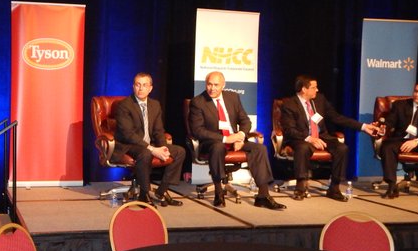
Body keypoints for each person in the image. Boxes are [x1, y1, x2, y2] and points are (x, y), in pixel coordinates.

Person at [189, 71, 285, 210]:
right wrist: (226, 138)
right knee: (217, 147)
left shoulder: (232, 97)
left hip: (235, 139)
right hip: (212, 141)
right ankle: (218, 191)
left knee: (260, 149)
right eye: (209, 84)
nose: (212, 88)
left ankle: (263, 195)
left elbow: (245, 121)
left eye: (216, 85)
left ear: (223, 85)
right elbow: (198, 130)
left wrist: (241, 135)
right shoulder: (198, 102)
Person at [280, 75, 378, 201]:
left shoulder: (319, 100)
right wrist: (309, 138)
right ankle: (300, 187)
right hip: (300, 138)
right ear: (304, 89)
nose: (317, 90)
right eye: (314, 87)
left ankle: (334, 188)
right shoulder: (289, 104)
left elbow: (336, 117)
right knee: (303, 148)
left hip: (321, 136)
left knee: (342, 148)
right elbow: (289, 130)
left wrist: (363, 127)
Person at [113, 72, 185, 206]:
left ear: (150, 88)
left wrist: (162, 147)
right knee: (145, 153)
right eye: (137, 85)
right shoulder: (124, 105)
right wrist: (152, 149)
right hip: (129, 145)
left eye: (144, 85)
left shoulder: (155, 104)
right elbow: (128, 134)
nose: (141, 89)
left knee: (179, 151)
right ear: (133, 87)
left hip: (149, 144)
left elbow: (158, 131)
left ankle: (162, 191)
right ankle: (144, 194)